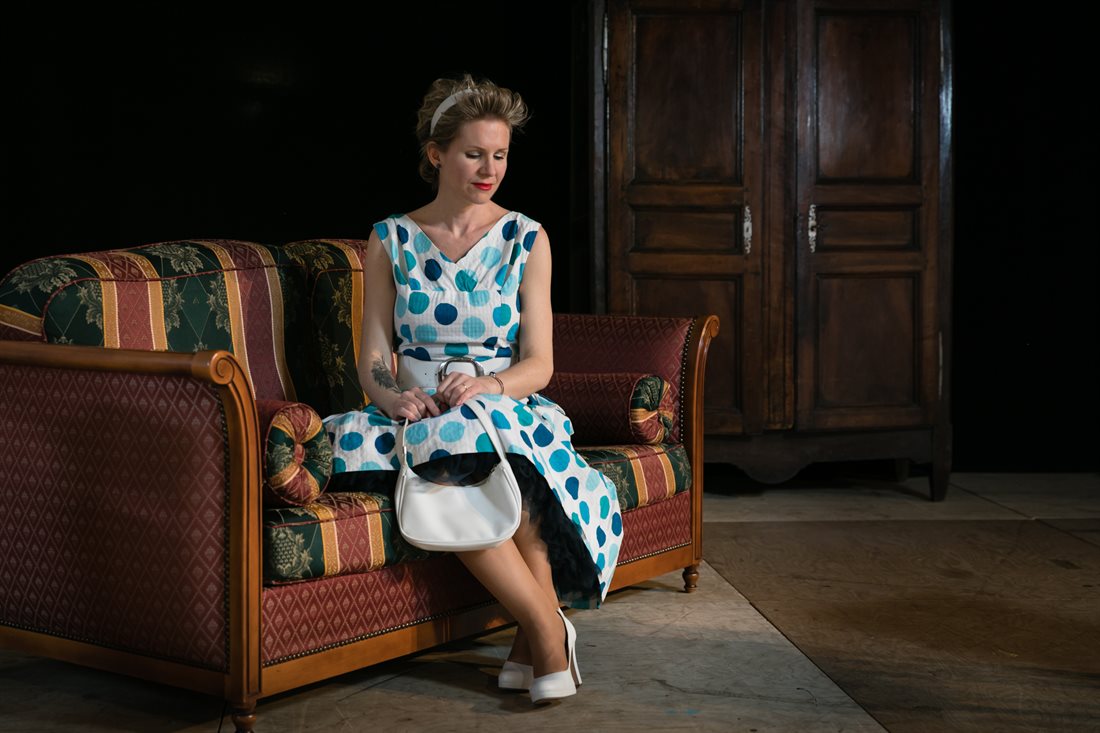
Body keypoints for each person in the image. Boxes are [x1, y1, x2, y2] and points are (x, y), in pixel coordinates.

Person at [322, 73, 623, 705]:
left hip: (499, 400)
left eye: (501, 155)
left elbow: (539, 363)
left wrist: (489, 383)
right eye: (473, 153)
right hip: (416, 409)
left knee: (507, 463)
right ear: (436, 154)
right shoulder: (390, 239)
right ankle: (545, 629)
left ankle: (537, 636)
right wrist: (390, 396)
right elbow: (375, 351)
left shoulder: (526, 238)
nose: (490, 169)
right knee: (457, 453)